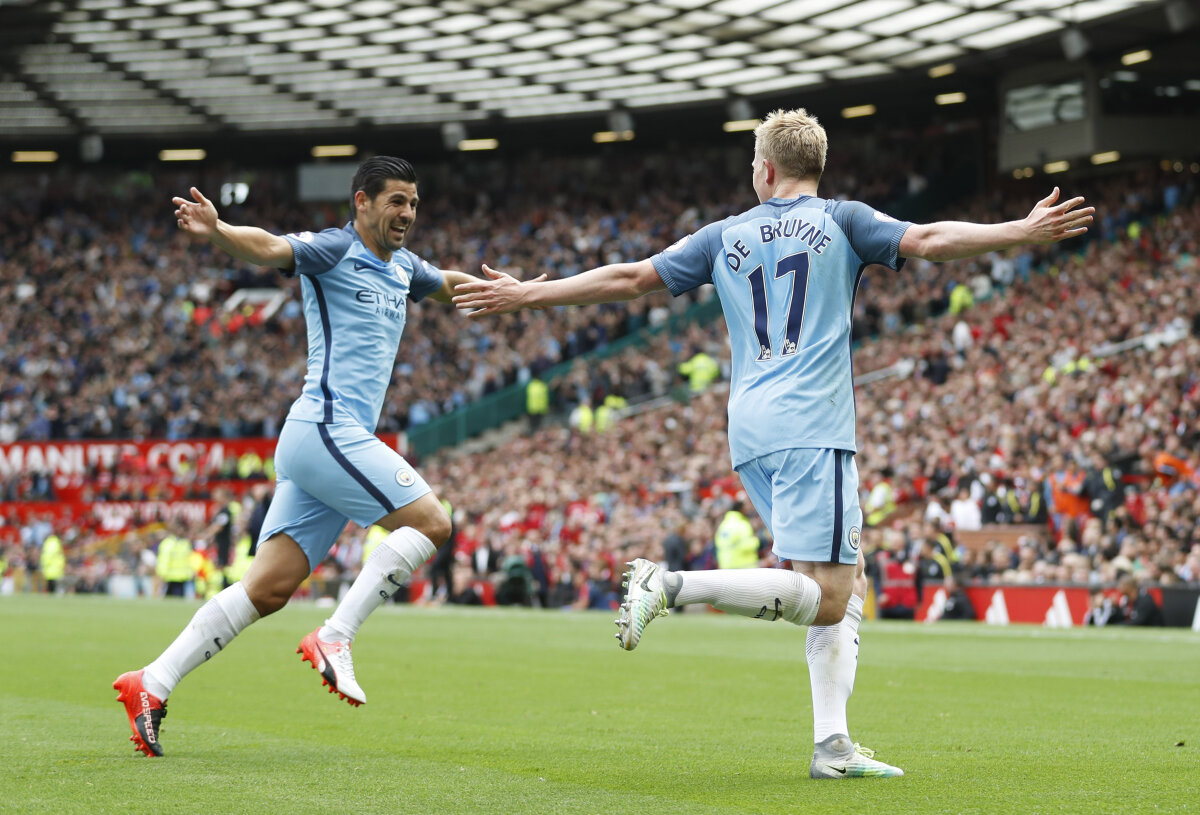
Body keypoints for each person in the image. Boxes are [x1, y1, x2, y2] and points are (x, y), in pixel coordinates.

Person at [453, 107, 1093, 779]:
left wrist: (530, 293)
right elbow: (930, 237)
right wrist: (1020, 229)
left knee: (846, 577)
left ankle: (833, 745)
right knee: (830, 593)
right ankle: (668, 584)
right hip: (813, 424)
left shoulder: (723, 234)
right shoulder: (843, 219)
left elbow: (631, 278)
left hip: (750, 429)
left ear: (764, 168)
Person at [114, 156, 488, 757]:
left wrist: (516, 291)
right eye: (396, 201)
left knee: (268, 588)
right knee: (432, 522)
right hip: (326, 428)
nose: (408, 214)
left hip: (329, 442)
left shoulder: (404, 269)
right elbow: (268, 248)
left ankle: (151, 682)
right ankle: (336, 635)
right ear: (362, 202)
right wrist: (220, 230)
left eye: (414, 203)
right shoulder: (333, 250)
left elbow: (446, 283)